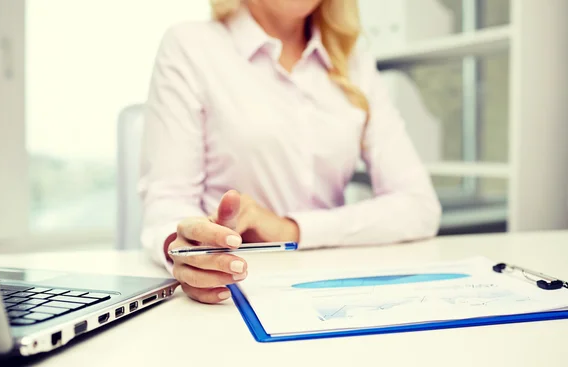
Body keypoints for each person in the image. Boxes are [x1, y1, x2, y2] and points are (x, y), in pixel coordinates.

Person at [139, 0, 442, 304]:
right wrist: (187, 251)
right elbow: (168, 205)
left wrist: (291, 229)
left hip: (332, 286)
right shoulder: (190, 46)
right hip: (232, 289)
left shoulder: (354, 62)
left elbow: (419, 207)